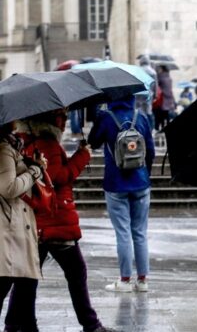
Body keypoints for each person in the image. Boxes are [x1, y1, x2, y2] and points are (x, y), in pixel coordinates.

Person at [11, 111, 115, 332]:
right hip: (55, 220)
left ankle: (19, 325)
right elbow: (58, 177)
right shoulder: (46, 143)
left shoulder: (25, 141)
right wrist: (82, 155)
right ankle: (91, 324)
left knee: (27, 277)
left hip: (36, 222)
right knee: (76, 273)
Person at [88, 96, 156, 292]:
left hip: (115, 183)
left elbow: (93, 142)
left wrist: (97, 117)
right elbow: (150, 150)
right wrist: (145, 175)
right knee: (140, 232)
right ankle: (143, 280)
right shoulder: (140, 116)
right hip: (141, 182)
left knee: (123, 233)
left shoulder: (106, 117)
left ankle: (125, 280)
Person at [0, 121, 45, 332]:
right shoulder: (3, 149)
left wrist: (32, 163)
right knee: (10, 282)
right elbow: (9, 188)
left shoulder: (12, 146)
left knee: (26, 282)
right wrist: (35, 171)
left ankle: (25, 326)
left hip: (16, 226)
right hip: (9, 227)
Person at [154, 65, 176, 131]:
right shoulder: (169, 78)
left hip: (162, 98)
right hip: (169, 97)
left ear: (162, 69)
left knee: (160, 114)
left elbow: (156, 86)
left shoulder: (160, 77)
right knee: (166, 114)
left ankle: (159, 128)